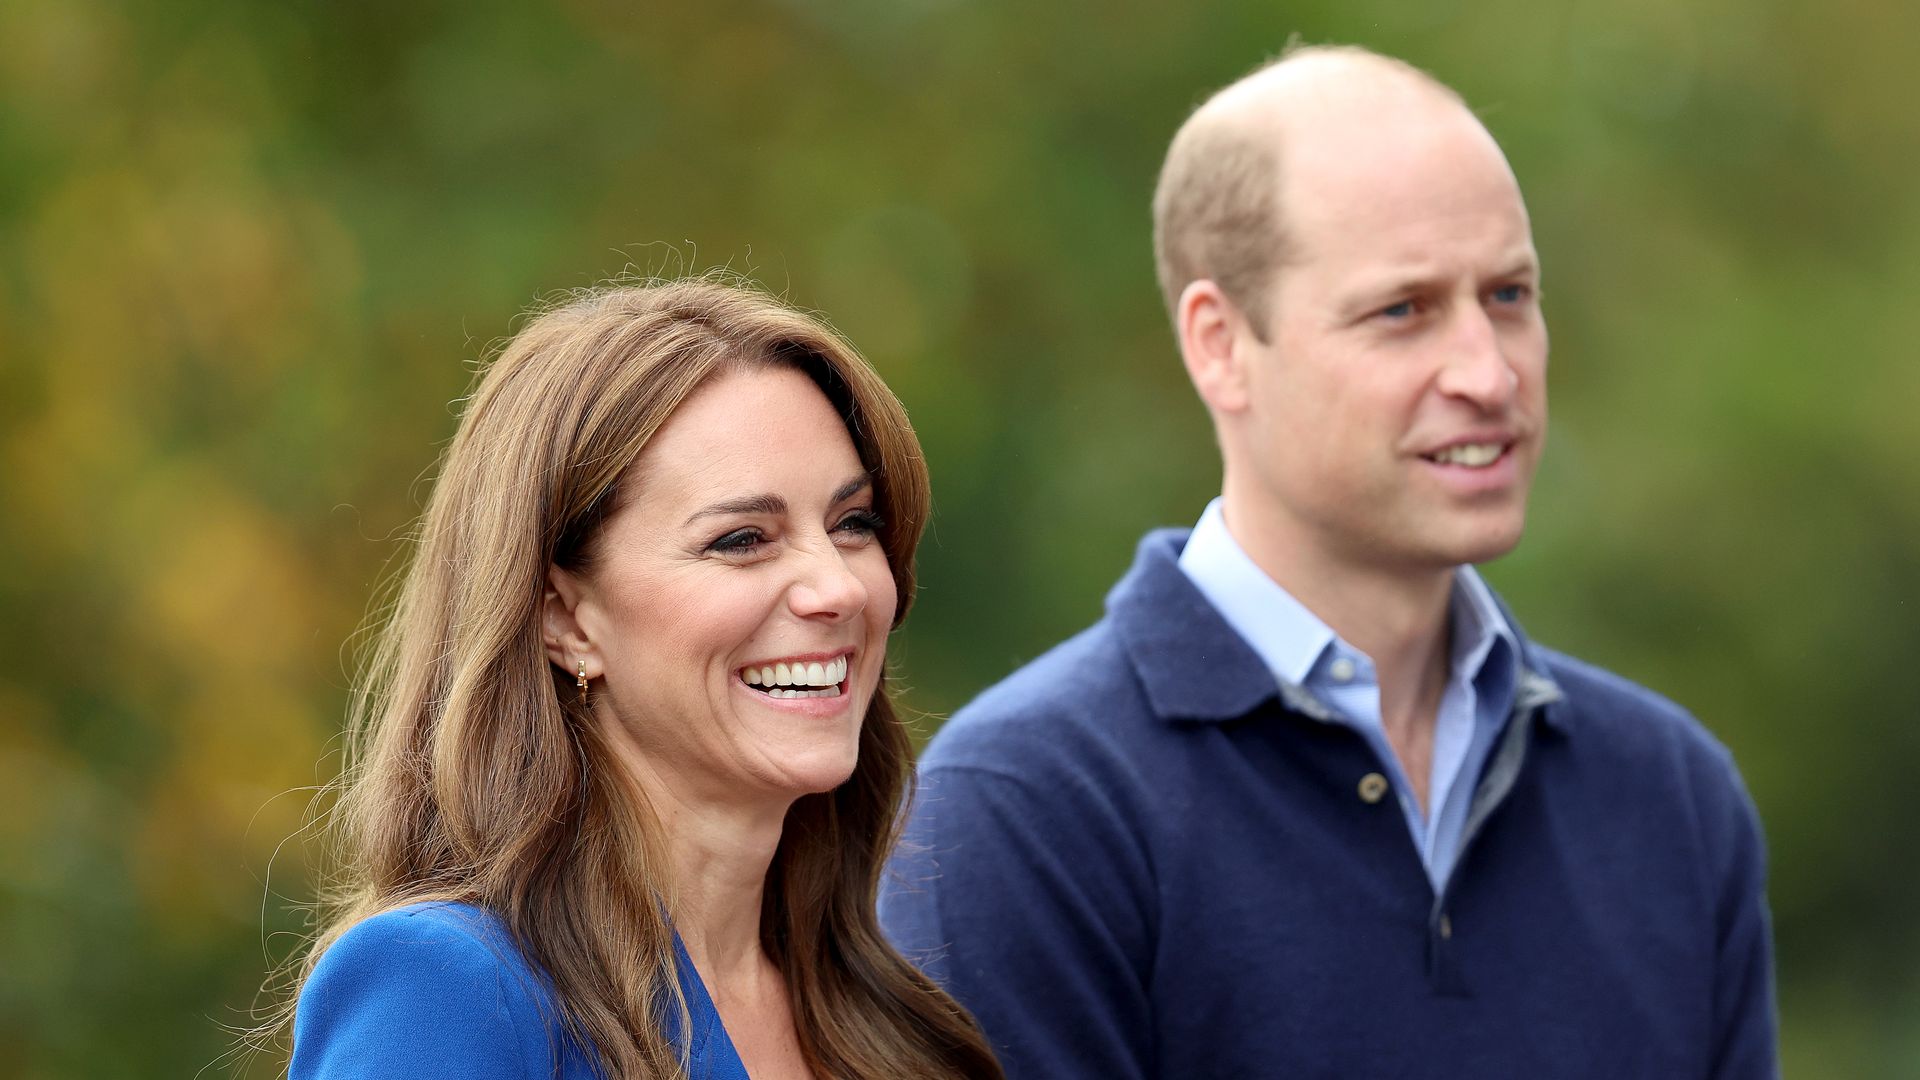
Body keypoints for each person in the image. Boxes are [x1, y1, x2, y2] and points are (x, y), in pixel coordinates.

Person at [879, 44, 1777, 1079]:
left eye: (1510, 295)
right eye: (1402, 310)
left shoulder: (1671, 798)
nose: (1488, 373)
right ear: (1218, 344)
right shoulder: (1025, 812)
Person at [282, 280, 1003, 1079]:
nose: (836, 588)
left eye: (852, 524)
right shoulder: (446, 991)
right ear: (564, 615)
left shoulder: (894, 1017)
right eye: (742, 539)